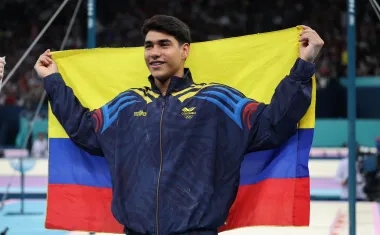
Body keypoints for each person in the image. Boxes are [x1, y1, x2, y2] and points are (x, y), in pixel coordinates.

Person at [35, 15, 324, 235]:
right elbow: (85, 131)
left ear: (185, 51)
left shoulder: (216, 99)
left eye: (164, 44)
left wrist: (303, 66)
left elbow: (273, 125)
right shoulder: (127, 104)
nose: (154, 53)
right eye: (148, 46)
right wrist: (53, 80)